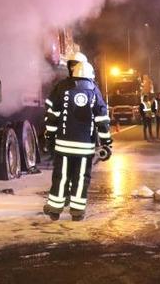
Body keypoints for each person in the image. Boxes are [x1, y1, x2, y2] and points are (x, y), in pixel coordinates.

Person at [43, 61, 111, 221]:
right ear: (91, 74)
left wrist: (49, 138)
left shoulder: (62, 88)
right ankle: (77, 212)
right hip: (85, 146)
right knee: (81, 178)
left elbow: (52, 115)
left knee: (61, 176)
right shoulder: (94, 90)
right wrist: (106, 143)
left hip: (64, 145)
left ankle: (54, 209)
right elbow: (102, 119)